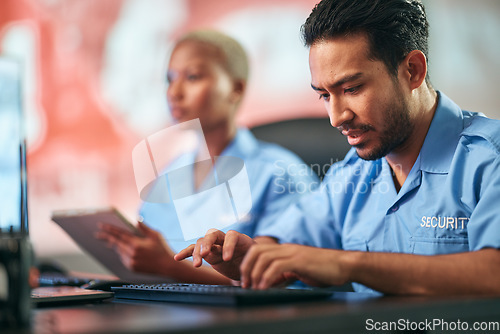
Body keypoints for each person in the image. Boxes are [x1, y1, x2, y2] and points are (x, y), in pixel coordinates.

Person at [175, 0, 500, 295]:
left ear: (412, 71)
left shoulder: (490, 158)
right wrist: (248, 257)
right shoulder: (353, 174)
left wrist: (347, 263)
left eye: (352, 88)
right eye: (324, 95)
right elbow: (287, 248)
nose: (336, 117)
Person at [97, 30, 318, 284]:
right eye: (170, 79)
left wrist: (168, 266)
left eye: (192, 77)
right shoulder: (170, 176)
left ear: (235, 89)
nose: (174, 92)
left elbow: (285, 281)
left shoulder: (280, 172)